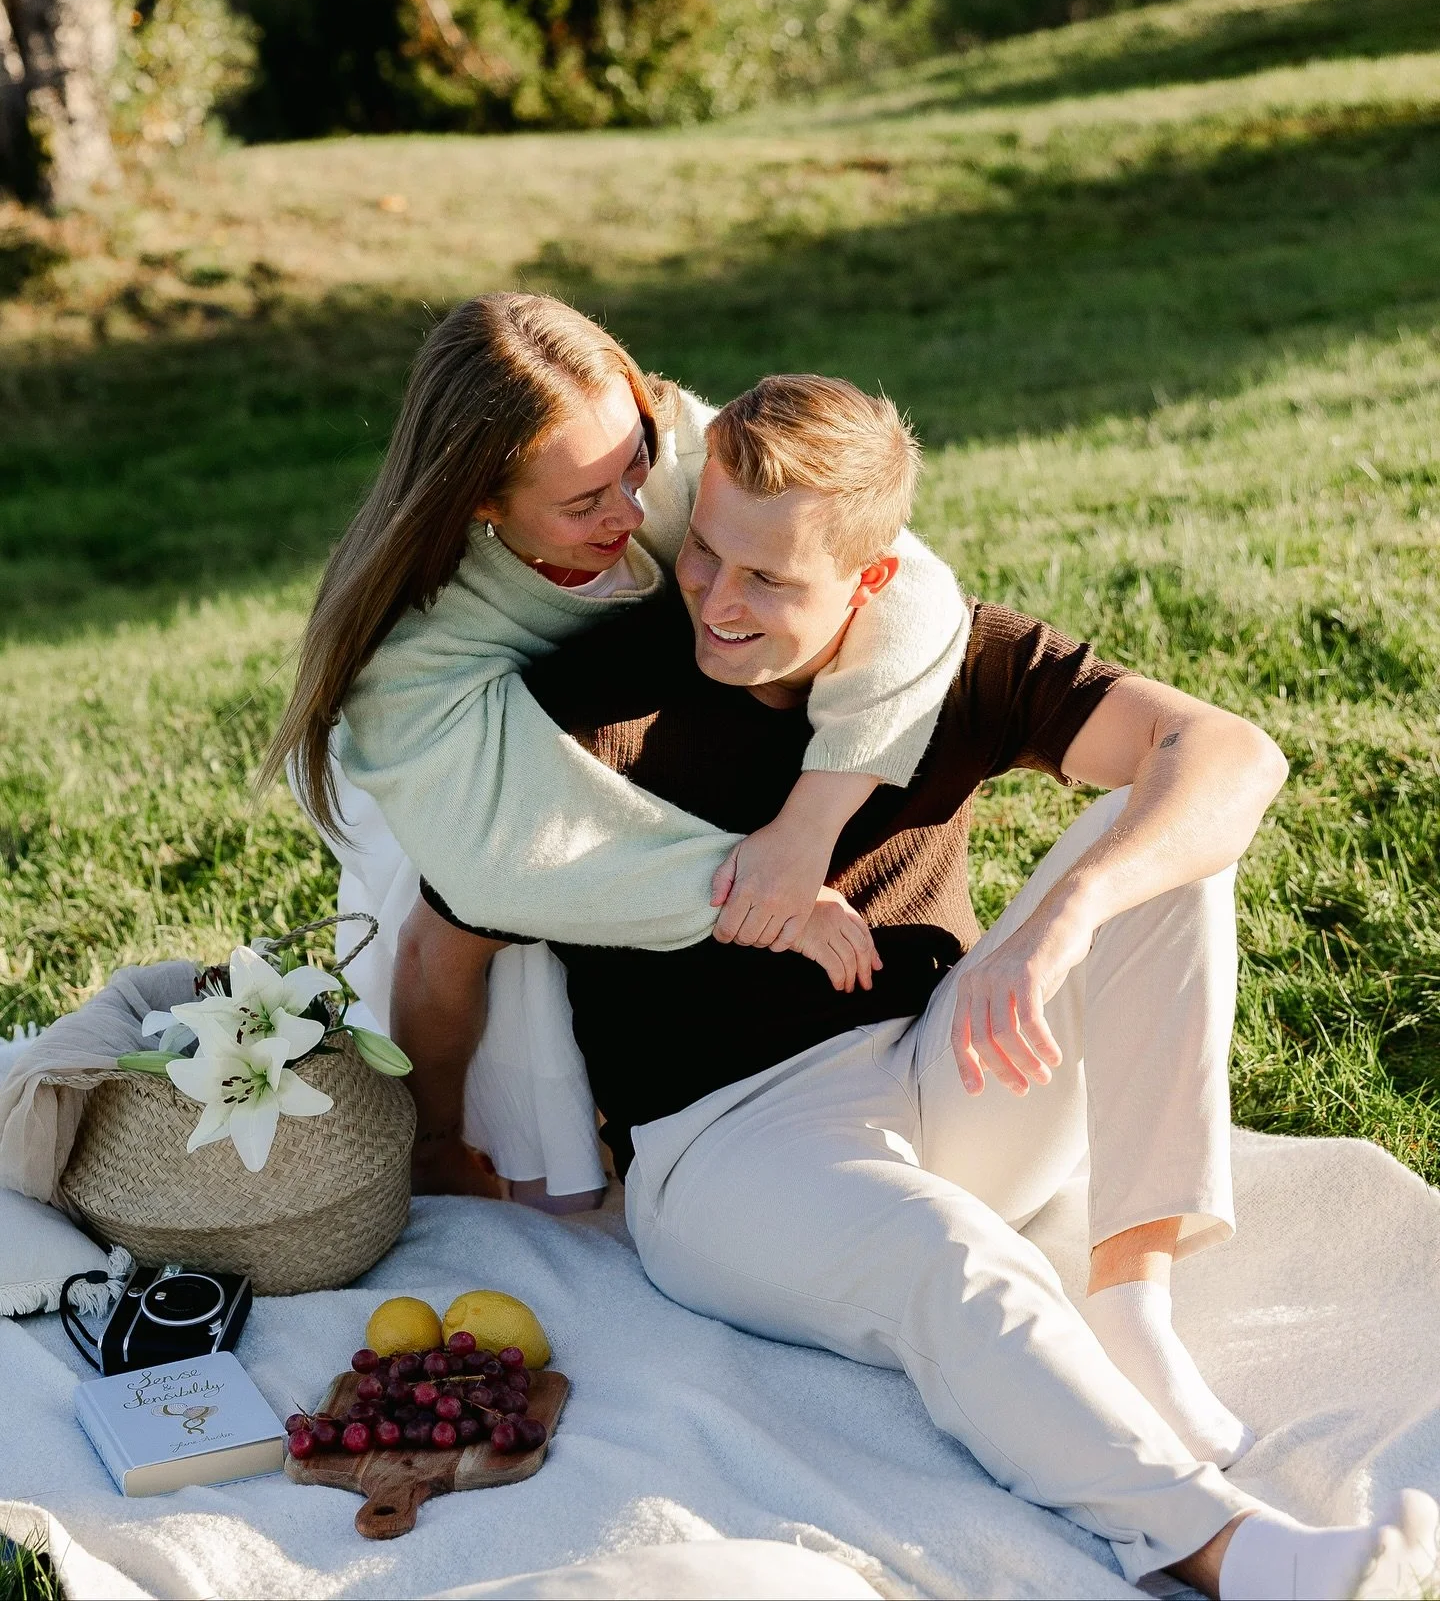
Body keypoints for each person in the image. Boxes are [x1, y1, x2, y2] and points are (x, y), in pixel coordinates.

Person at [408, 375, 1437, 1601]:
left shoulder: (955, 659)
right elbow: (442, 946)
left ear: (875, 580)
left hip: (953, 1071)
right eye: (707, 558)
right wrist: (431, 1139)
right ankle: (1228, 1552)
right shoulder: (590, 707)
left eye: (770, 581)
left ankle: (1131, 1302)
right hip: (732, 1156)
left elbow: (1231, 754)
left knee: (1156, 846)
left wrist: (1052, 926)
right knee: (947, 1260)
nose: (718, 603)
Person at [261, 293, 969, 1201]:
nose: (633, 512)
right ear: (481, 500)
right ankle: (436, 1141)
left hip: (617, 742)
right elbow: (493, 861)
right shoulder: (415, 640)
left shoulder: (666, 446)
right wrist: (753, 890)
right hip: (461, 788)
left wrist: (805, 827)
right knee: (466, 947)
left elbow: (912, 584)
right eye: (583, 503)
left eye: (634, 461)